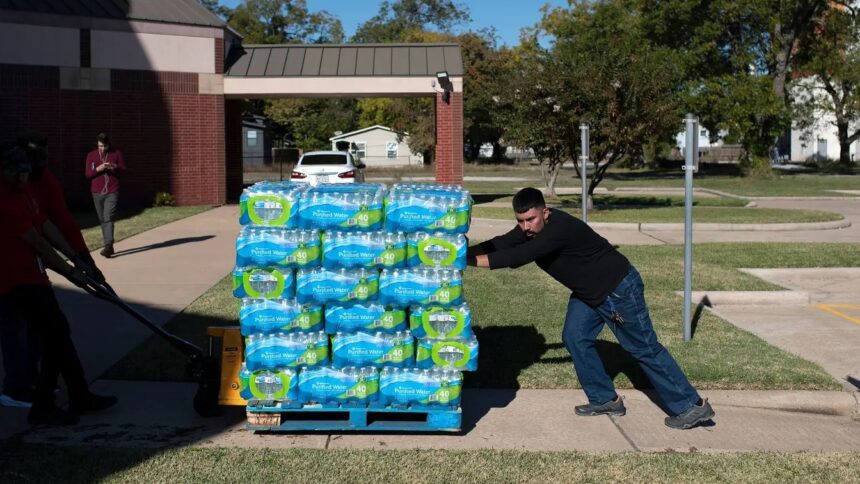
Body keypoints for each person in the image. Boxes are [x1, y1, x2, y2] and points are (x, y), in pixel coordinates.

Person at [467, 187, 715, 429]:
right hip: (589, 293)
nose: (525, 227)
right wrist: (463, 250)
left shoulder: (558, 230)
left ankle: (691, 405)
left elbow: (516, 257)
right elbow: (502, 243)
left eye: (530, 219)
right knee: (575, 337)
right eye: (520, 221)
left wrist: (463, 261)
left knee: (643, 347)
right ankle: (605, 399)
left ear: (546, 212)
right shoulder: (530, 230)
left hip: (617, 289)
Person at [0, 143, 117, 425]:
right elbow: (36, 242)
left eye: (26, 173)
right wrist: (69, 271)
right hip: (14, 282)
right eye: (18, 174)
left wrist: (77, 257)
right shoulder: (4, 199)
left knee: (58, 333)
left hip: (34, 277)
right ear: (7, 172)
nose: (24, 179)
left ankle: (78, 394)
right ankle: (43, 406)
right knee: (53, 334)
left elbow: (47, 226)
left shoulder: (24, 192)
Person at [85, 133, 125, 258]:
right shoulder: (91, 155)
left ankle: (108, 246)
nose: (102, 148)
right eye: (99, 146)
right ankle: (109, 246)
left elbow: (124, 170)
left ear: (109, 145)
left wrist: (115, 167)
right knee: (102, 219)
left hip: (112, 191)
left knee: (108, 217)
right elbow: (87, 175)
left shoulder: (116, 153)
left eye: (104, 146)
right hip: (97, 192)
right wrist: (99, 169)